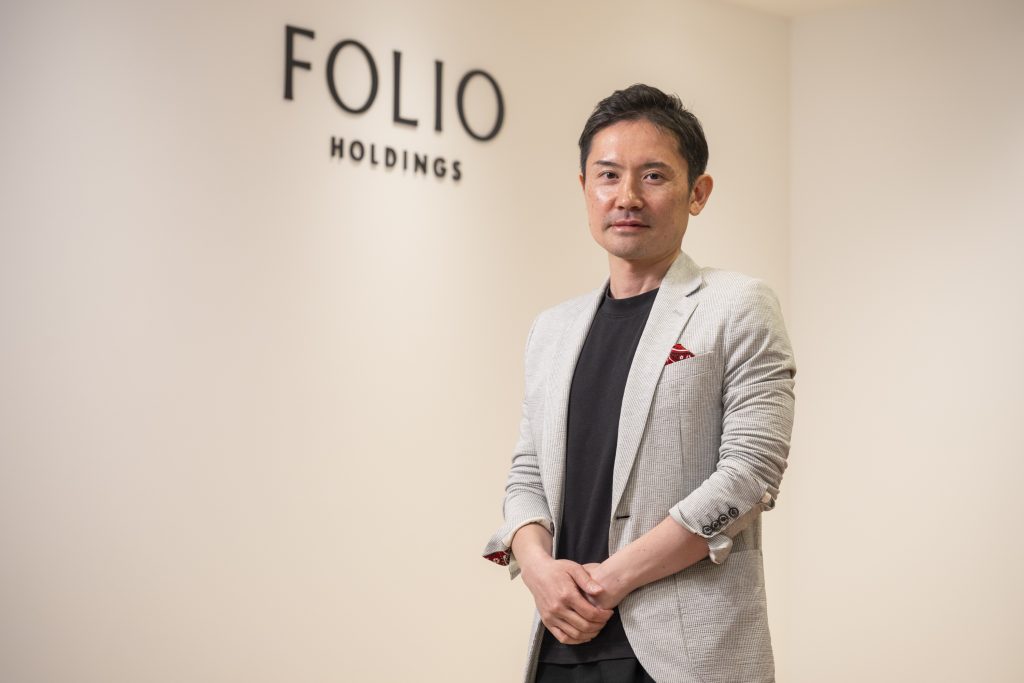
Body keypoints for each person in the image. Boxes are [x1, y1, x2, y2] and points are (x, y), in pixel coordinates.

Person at [482, 84, 795, 683]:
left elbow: (750, 474)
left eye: (653, 176)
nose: (626, 196)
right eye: (608, 175)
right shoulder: (552, 329)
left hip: (687, 651)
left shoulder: (737, 305)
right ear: (585, 188)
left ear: (697, 192)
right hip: (561, 643)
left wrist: (610, 579)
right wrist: (539, 570)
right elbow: (527, 474)